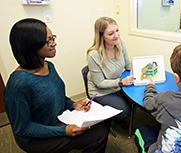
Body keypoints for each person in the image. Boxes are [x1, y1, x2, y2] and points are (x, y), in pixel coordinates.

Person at [4, 18, 109, 153]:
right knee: (98, 135)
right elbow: (23, 128)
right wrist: (64, 130)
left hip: (57, 120)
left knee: (101, 125)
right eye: (49, 41)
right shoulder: (17, 85)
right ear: (31, 46)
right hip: (36, 138)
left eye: (53, 38)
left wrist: (73, 104)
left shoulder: (48, 65)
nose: (54, 43)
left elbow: (57, 95)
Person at [87, 17, 135, 122]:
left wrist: (139, 73)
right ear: (101, 36)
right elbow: (99, 83)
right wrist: (121, 82)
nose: (116, 35)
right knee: (124, 111)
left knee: (135, 102)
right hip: (100, 92)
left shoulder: (119, 43)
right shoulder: (93, 55)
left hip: (117, 85)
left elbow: (128, 65)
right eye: (111, 33)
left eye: (117, 31)